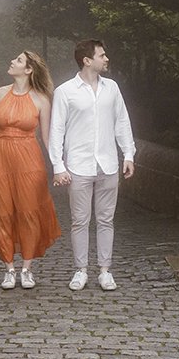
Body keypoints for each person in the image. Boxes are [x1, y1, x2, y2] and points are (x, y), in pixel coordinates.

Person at [47, 38, 135, 291]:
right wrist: (58, 166)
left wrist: (128, 154)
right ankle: (81, 270)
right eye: (101, 55)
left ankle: (105, 271)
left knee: (106, 220)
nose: (106, 59)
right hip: (78, 165)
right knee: (80, 220)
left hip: (107, 162)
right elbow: (57, 130)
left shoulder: (112, 89)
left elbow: (122, 122)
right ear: (87, 60)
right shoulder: (65, 92)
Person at [0, 49, 61, 288]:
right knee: (1, 212)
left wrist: (60, 166)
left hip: (29, 159)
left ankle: (26, 269)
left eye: (18, 60)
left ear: (28, 70)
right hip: (1, 157)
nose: (12, 61)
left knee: (28, 212)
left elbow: (47, 139)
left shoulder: (41, 100)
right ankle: (9, 268)